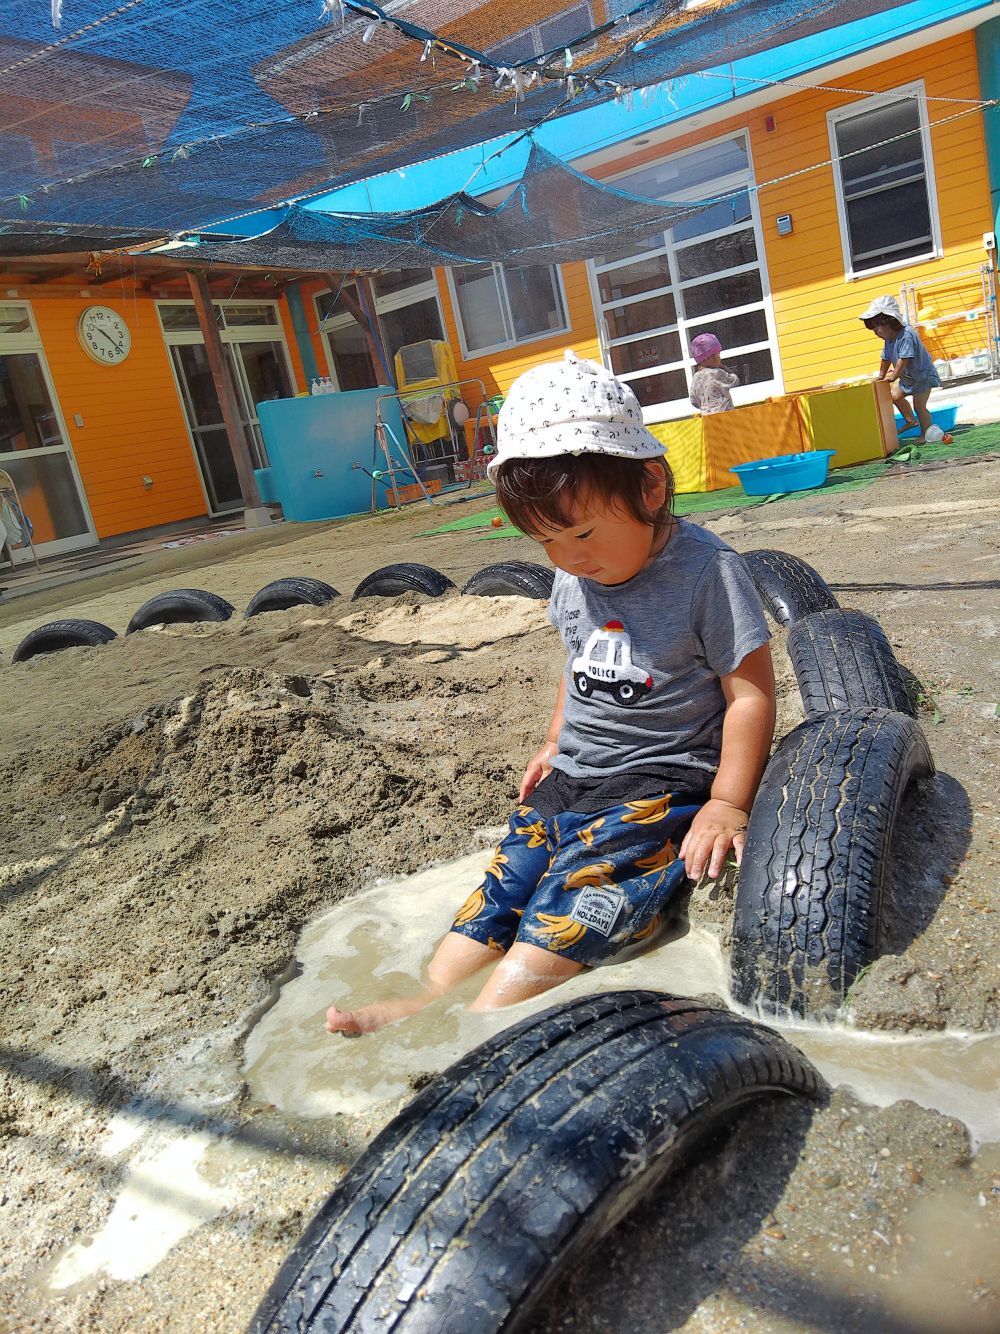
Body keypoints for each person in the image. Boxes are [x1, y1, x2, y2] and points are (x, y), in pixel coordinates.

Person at [326, 350, 776, 1036]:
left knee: (575, 895)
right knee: (511, 878)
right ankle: (425, 1001)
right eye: (544, 542)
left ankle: (482, 1024)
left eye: (583, 532)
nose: (568, 557)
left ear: (651, 487)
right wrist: (551, 741)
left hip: (657, 784)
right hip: (572, 778)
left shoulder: (707, 573)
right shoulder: (574, 576)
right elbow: (577, 666)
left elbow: (749, 695)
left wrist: (725, 803)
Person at [860, 295, 940, 438]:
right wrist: (881, 375)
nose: (876, 332)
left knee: (919, 407)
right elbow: (885, 358)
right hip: (909, 380)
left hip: (922, 377)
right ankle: (910, 421)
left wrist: (894, 375)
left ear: (889, 321)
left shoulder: (906, 335)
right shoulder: (889, 339)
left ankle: (926, 434)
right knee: (894, 396)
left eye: (877, 327)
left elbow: (904, 359)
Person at [688, 332, 740, 414]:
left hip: (708, 419)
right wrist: (727, 371)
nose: (720, 358)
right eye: (718, 355)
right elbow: (734, 381)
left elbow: (693, 400)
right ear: (708, 358)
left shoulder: (696, 377)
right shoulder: (716, 373)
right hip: (724, 416)